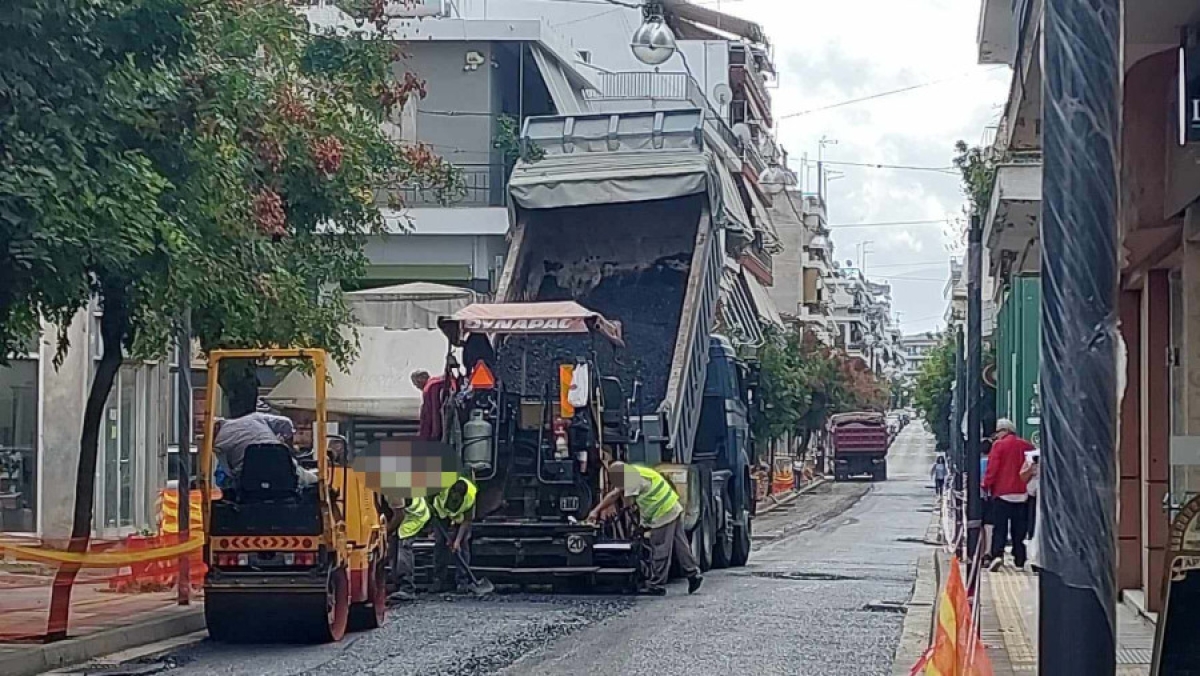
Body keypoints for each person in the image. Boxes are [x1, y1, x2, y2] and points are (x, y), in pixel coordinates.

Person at [587, 461, 703, 596]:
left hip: (662, 511)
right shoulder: (635, 471)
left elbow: (625, 500)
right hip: (671, 505)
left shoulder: (631, 479)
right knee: (680, 545)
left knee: (660, 547)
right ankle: (693, 574)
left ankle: (656, 585)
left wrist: (597, 511)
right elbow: (617, 494)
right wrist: (596, 510)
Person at [213, 381, 316, 488]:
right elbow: (286, 422)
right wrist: (288, 446)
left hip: (250, 484)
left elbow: (229, 473)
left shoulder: (218, 444)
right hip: (284, 472)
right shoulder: (255, 418)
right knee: (316, 482)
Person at [983, 419, 1034, 570]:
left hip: (1002, 493)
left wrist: (986, 485)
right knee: (1019, 529)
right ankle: (1019, 559)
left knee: (1000, 528)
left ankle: (997, 555)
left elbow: (992, 468)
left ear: (1004, 430)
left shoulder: (999, 446)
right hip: (1022, 494)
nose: (997, 436)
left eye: (998, 433)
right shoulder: (1027, 446)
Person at [431, 477, 476, 592]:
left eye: (459, 498)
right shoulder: (441, 487)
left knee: (463, 545)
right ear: (451, 491)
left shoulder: (470, 496)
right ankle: (438, 580)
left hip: (459, 519)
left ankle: (462, 581)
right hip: (440, 515)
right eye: (455, 496)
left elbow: (466, 521)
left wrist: (456, 541)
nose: (457, 499)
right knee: (440, 544)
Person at [387, 496, 431, 601]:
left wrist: (387, 530)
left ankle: (407, 588)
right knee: (393, 547)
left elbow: (399, 515)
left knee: (404, 547)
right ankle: (397, 582)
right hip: (407, 513)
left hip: (415, 516)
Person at [412, 370, 448, 442]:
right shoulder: (441, 384)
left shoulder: (430, 389)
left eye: (416, 383)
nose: (417, 387)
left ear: (421, 379)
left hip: (434, 434)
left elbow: (430, 414)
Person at [1021, 449, 1040, 541]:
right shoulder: (1030, 458)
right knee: (1032, 522)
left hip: (1050, 497)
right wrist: (1031, 468)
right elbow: (1023, 477)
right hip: (1033, 496)